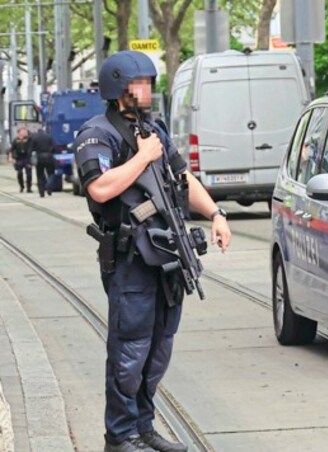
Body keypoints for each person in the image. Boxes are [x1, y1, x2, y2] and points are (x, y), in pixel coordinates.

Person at [73, 51, 232, 452]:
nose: (145, 91)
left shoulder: (154, 129)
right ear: (117, 88)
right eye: (137, 85)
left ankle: (144, 428)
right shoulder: (97, 134)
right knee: (130, 350)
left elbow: (182, 176)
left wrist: (215, 213)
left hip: (166, 255)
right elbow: (100, 188)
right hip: (129, 260)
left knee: (158, 349)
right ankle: (120, 435)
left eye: (148, 83)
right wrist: (142, 157)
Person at [29, 128, 56, 197]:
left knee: (40, 175)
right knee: (51, 173)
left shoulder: (34, 138)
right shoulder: (49, 137)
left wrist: (30, 160)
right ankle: (49, 185)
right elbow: (54, 147)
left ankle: (41, 192)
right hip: (49, 157)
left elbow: (31, 149)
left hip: (39, 158)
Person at [8, 127, 33, 193]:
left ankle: (29, 188)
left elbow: (31, 147)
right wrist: (10, 157)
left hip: (27, 158)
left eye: (25, 131)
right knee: (19, 173)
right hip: (19, 159)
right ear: (19, 132)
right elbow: (11, 149)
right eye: (23, 131)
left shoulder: (29, 139)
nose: (25, 133)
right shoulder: (15, 140)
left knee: (29, 174)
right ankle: (21, 186)